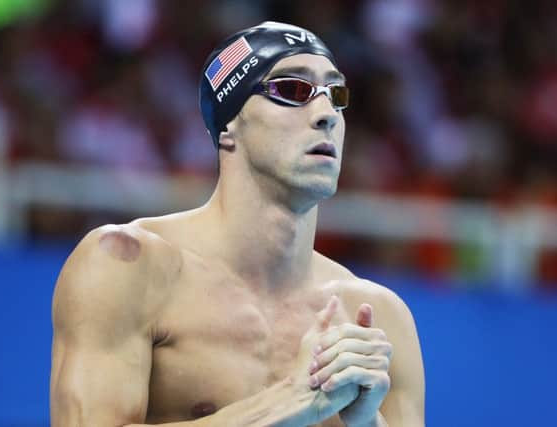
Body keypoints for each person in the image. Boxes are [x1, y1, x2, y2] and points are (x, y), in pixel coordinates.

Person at [50, 21, 425, 426]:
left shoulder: (377, 318)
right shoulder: (127, 267)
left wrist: (368, 423)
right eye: (293, 90)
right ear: (228, 125)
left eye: (335, 94)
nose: (325, 115)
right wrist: (293, 401)